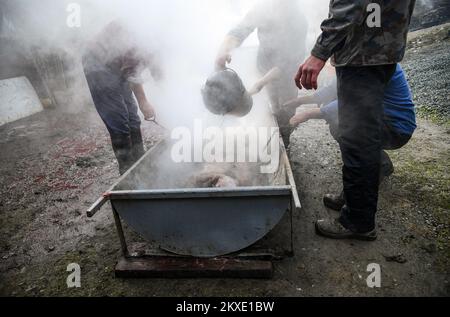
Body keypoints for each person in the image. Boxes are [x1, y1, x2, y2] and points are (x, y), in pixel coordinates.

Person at [295, 1, 417, 240]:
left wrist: (320, 52)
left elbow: (351, 3)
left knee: (357, 137)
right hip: (381, 47)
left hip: (364, 53)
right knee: (356, 135)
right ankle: (354, 201)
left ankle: (358, 222)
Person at [287, 64, 416, 210]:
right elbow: (328, 91)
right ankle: (380, 162)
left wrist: (307, 114)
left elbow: (353, 104)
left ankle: (353, 203)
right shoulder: (355, 63)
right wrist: (298, 102)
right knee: (339, 126)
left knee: (347, 130)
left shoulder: (373, 64)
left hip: (394, 126)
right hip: (379, 120)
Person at [215, 0, 307, 147]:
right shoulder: (263, 8)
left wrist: (260, 83)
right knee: (270, 106)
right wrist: (225, 49)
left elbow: (286, 64)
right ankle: (269, 137)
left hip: (287, 75)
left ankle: (284, 141)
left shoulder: (299, 22)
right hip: (264, 63)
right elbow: (240, 30)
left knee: (286, 110)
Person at [82, 21, 162, 175]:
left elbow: (159, 73)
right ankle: (127, 173)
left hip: (118, 64)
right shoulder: (141, 35)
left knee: (132, 116)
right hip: (98, 63)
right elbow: (131, 72)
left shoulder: (158, 42)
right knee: (119, 119)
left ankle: (140, 163)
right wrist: (144, 102)